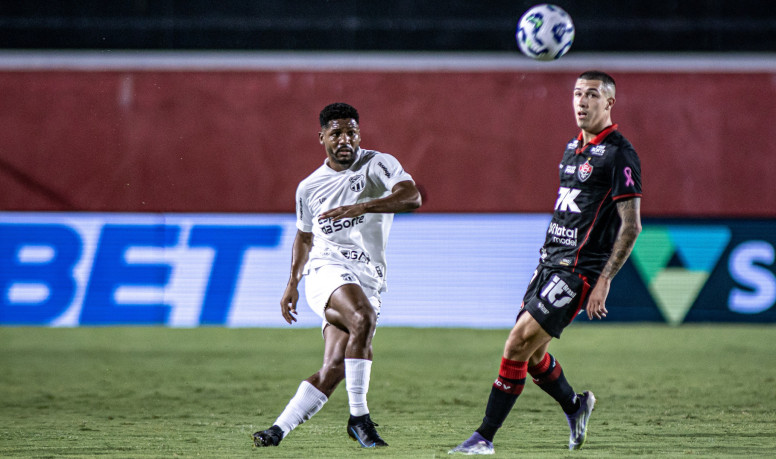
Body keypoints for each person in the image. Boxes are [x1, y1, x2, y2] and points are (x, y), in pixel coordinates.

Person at [450, 70, 642, 454]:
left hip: (578, 272)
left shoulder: (620, 153)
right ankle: (575, 405)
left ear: (609, 102)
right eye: (576, 94)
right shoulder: (573, 149)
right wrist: (544, 260)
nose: (582, 101)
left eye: (591, 94)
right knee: (534, 354)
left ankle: (484, 437)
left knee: (517, 343)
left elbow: (632, 225)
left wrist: (604, 279)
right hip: (548, 265)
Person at [252, 102, 422, 449]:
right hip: (326, 269)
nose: (345, 139)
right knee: (362, 317)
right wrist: (291, 284)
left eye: (352, 132)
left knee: (335, 368)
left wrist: (360, 206)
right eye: (336, 133)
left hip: (368, 277)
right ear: (322, 138)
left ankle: (276, 432)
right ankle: (359, 419)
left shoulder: (379, 164)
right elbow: (304, 236)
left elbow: (412, 197)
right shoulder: (309, 188)